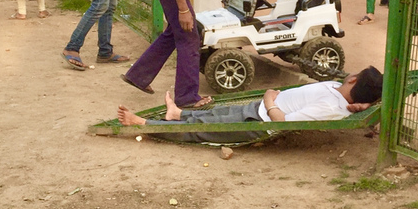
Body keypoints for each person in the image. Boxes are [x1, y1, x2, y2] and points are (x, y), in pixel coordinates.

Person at [117, 67, 383, 144]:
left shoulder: (332, 106)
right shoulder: (336, 91)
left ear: (354, 78)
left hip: (260, 122)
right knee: (214, 113)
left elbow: (284, 124)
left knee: (206, 128)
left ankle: (144, 124)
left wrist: (269, 101)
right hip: (257, 110)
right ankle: (177, 113)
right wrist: (358, 105)